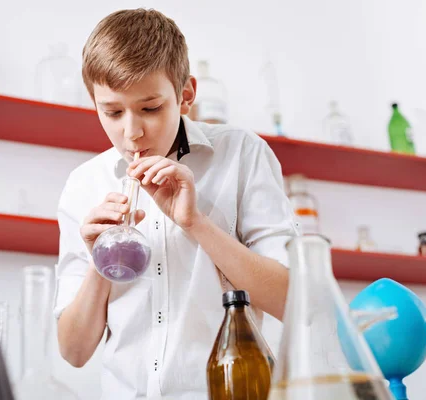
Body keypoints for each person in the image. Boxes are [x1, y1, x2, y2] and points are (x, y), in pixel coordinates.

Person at [53, 8, 298, 400]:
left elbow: (294, 302)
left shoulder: (242, 153)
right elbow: (74, 351)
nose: (131, 132)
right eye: (112, 111)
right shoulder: (84, 184)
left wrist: (195, 222)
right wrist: (101, 260)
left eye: (150, 108)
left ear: (185, 95)